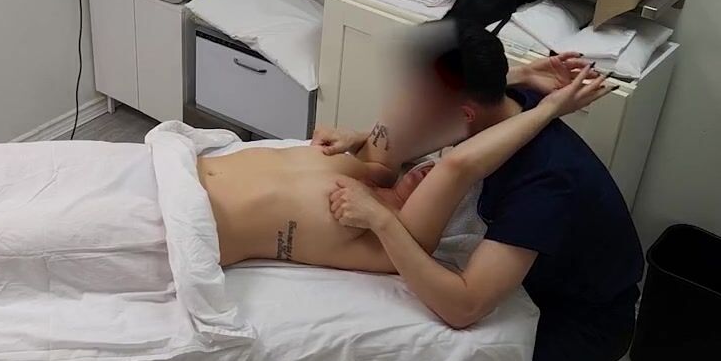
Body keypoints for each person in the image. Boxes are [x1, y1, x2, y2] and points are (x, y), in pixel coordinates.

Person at [317, 32, 645, 361]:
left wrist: (381, 220)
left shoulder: (543, 183)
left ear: (464, 114)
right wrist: (362, 139)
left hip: (586, 316)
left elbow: (464, 306)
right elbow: (429, 126)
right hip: (547, 268)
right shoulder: (509, 100)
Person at [203, 58, 610, 271]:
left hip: (187, 226)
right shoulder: (372, 172)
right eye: (429, 162)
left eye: (439, 186)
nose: (432, 166)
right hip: (180, 169)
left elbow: (459, 167)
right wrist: (514, 74)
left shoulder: (392, 240)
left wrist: (549, 108)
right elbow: (408, 110)